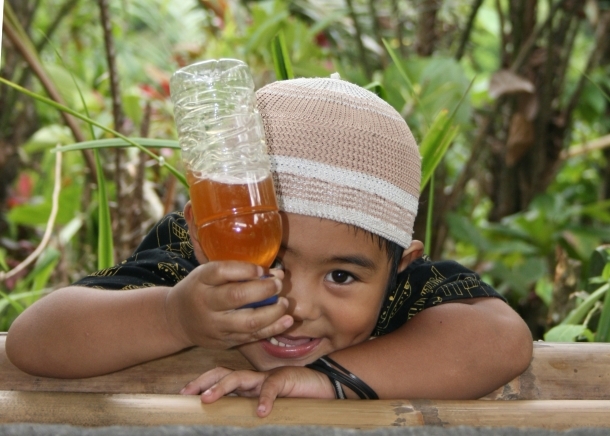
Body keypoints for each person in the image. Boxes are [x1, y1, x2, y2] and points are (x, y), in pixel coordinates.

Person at [6, 75, 532, 417]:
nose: (296, 306)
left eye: (341, 276)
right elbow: (32, 341)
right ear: (203, 235)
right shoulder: (190, 276)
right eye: (269, 260)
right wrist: (172, 317)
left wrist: (328, 382)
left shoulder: (404, 293)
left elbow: (501, 339)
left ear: (399, 267)